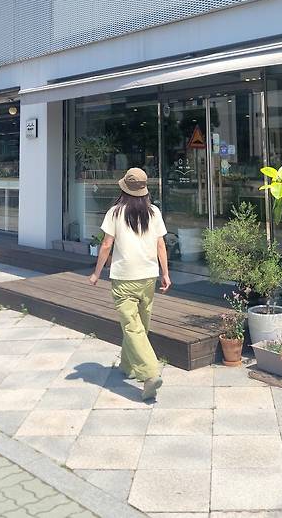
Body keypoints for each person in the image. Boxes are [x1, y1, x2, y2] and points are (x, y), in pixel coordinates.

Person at [89, 167, 171, 401]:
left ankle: (150, 373)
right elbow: (161, 245)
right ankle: (128, 366)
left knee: (132, 327)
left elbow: (106, 245)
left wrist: (96, 273)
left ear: (124, 188)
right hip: (148, 277)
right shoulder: (154, 212)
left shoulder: (115, 212)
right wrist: (165, 273)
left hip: (124, 278)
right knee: (139, 325)